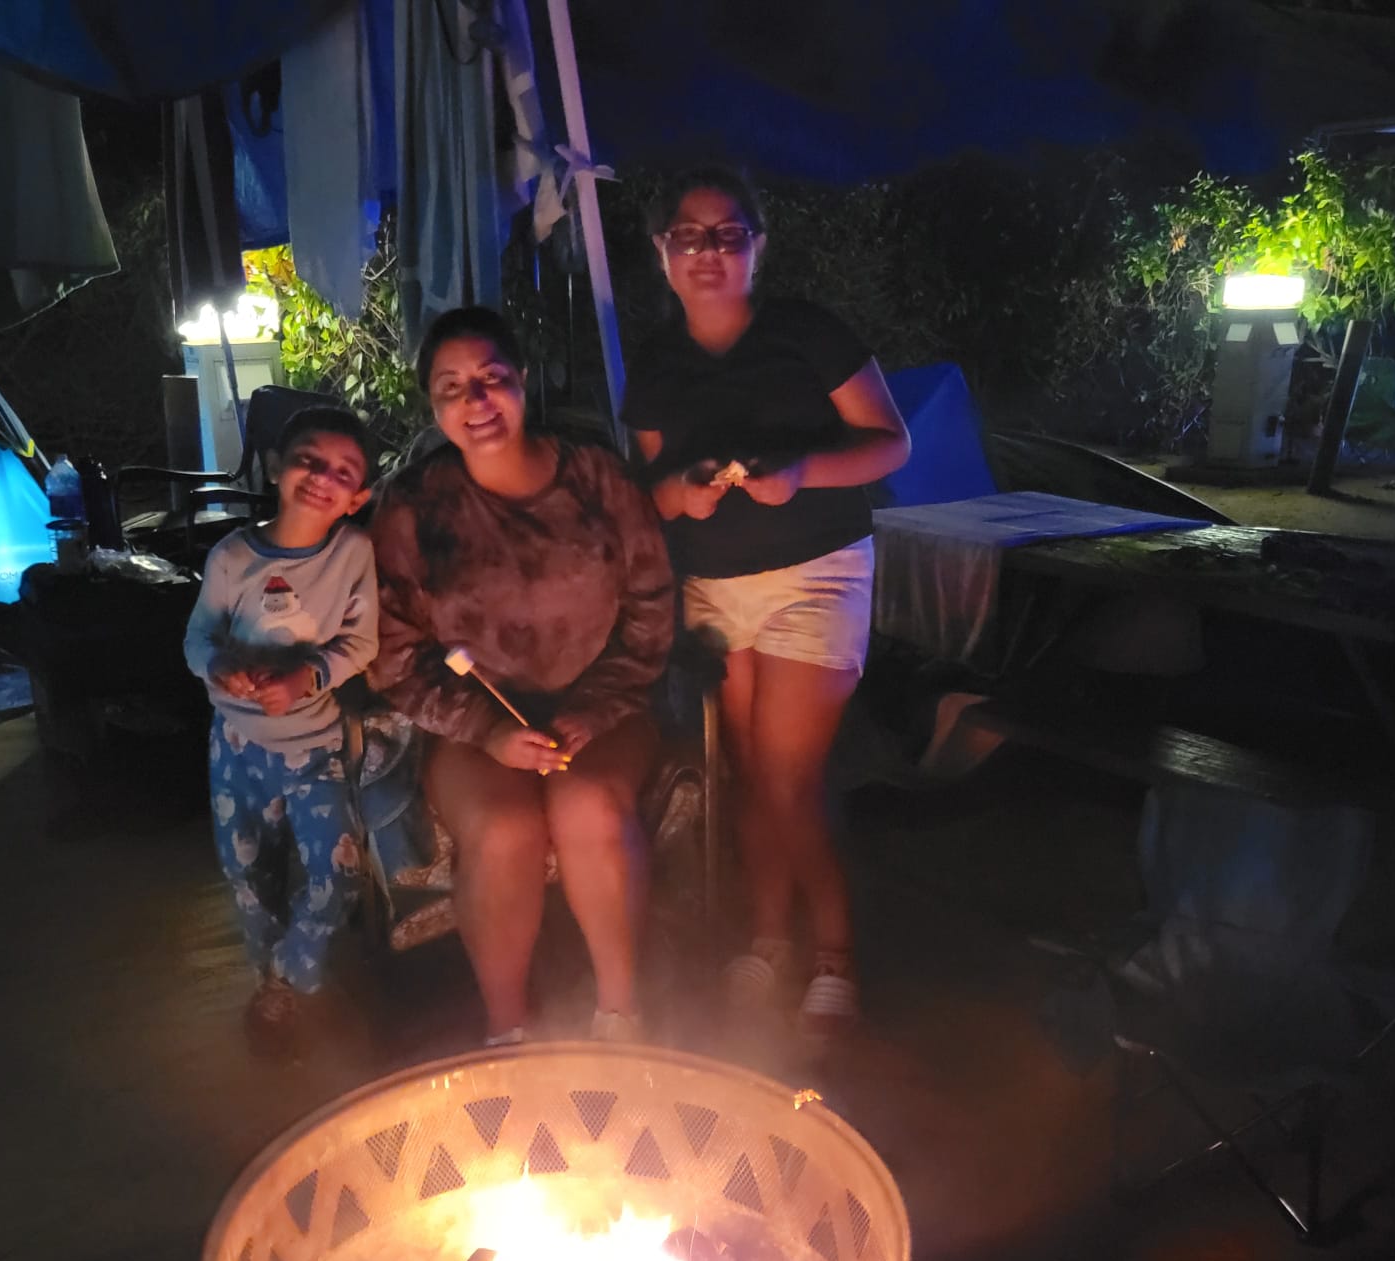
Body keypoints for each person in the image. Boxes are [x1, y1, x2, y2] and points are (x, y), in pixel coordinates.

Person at [622, 164, 911, 1034]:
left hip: (816, 572)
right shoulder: (657, 363)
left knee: (787, 780)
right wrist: (685, 496)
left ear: (757, 245)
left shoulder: (807, 333)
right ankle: (770, 937)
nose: (708, 251)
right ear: (662, 251)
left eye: (727, 234)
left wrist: (802, 473)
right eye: (688, 235)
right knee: (750, 775)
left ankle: (834, 954)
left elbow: (891, 442)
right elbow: (649, 491)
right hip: (715, 585)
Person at [370, 306, 674, 1046]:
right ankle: (509, 1033)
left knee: (587, 805)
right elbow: (393, 655)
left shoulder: (597, 479)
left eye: (491, 378)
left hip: (602, 714)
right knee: (505, 829)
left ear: (523, 380)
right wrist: (488, 730)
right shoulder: (414, 507)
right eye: (451, 388)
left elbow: (651, 607)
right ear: (434, 406)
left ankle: (619, 1017)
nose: (475, 401)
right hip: (475, 730)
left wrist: (595, 709)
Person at [183, 405, 380, 1058]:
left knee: (338, 872)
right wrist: (219, 667)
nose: (323, 477)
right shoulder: (232, 556)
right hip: (236, 748)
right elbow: (198, 636)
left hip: (315, 746)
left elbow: (361, 642)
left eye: (344, 472)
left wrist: (307, 677)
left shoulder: (352, 553)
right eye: (308, 460)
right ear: (275, 466)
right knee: (249, 874)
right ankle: (271, 987)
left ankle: (289, 970)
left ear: (358, 498)